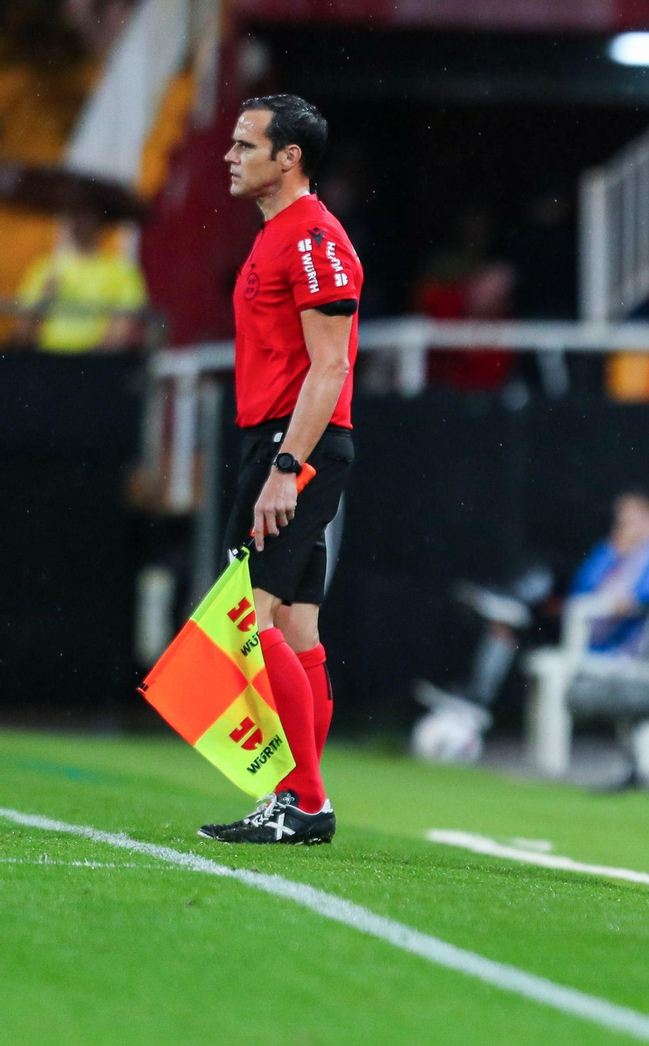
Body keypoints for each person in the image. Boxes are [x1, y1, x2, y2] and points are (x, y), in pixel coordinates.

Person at [198, 95, 364, 845]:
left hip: (293, 446)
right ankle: (296, 801)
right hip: (278, 443)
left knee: (251, 619)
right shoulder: (279, 237)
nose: (230, 157)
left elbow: (331, 366)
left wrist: (284, 465)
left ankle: (304, 800)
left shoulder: (313, 239)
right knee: (296, 626)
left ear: (288, 156)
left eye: (244, 145)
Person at [571, 491, 649, 656]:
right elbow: (581, 589)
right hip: (593, 639)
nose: (626, 529)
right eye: (622, 523)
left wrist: (637, 595)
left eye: (633, 522)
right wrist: (610, 551)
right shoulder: (615, 552)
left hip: (624, 647)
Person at [14, 205, 147, 353]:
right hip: (46, 361)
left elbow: (122, 329)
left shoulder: (122, 271)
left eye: (85, 214)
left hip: (98, 366)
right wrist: (44, 300)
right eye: (72, 214)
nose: (77, 221)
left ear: (100, 221)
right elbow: (24, 331)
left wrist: (86, 361)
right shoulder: (45, 268)